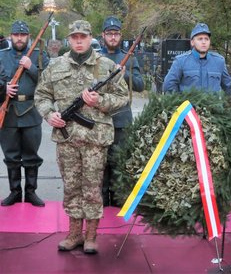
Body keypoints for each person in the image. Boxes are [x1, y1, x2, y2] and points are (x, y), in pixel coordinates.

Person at [34, 20, 128, 254]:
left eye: (82, 37)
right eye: (74, 37)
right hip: (66, 138)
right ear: (68, 39)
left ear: (90, 38)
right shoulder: (55, 66)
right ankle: (74, 233)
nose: (78, 41)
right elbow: (42, 95)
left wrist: (100, 101)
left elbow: (122, 97)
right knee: (71, 187)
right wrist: (49, 114)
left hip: (95, 139)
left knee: (92, 188)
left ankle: (91, 236)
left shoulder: (106, 66)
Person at [0, 20, 49, 207]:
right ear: (10, 36)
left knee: (31, 155)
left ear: (28, 37)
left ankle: (30, 193)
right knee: (11, 155)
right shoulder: (1, 56)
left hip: (31, 111)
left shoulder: (38, 55)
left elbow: (48, 82)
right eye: (16, 35)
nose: (19, 38)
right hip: (8, 110)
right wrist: (3, 89)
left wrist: (31, 68)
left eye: (23, 35)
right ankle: (14, 192)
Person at [101, 16, 144, 206]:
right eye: (109, 33)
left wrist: (124, 73)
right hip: (100, 117)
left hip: (122, 118)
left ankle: (118, 198)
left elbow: (141, 85)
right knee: (100, 162)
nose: (112, 37)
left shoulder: (131, 58)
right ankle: (102, 198)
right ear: (103, 35)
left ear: (120, 36)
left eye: (116, 33)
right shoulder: (95, 58)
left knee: (119, 160)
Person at [163, 23, 231, 94]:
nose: (204, 42)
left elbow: (229, 87)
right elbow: (169, 86)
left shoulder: (219, 61)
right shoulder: (181, 61)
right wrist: (180, 103)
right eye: (200, 39)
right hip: (189, 104)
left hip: (212, 105)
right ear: (192, 42)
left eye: (206, 39)